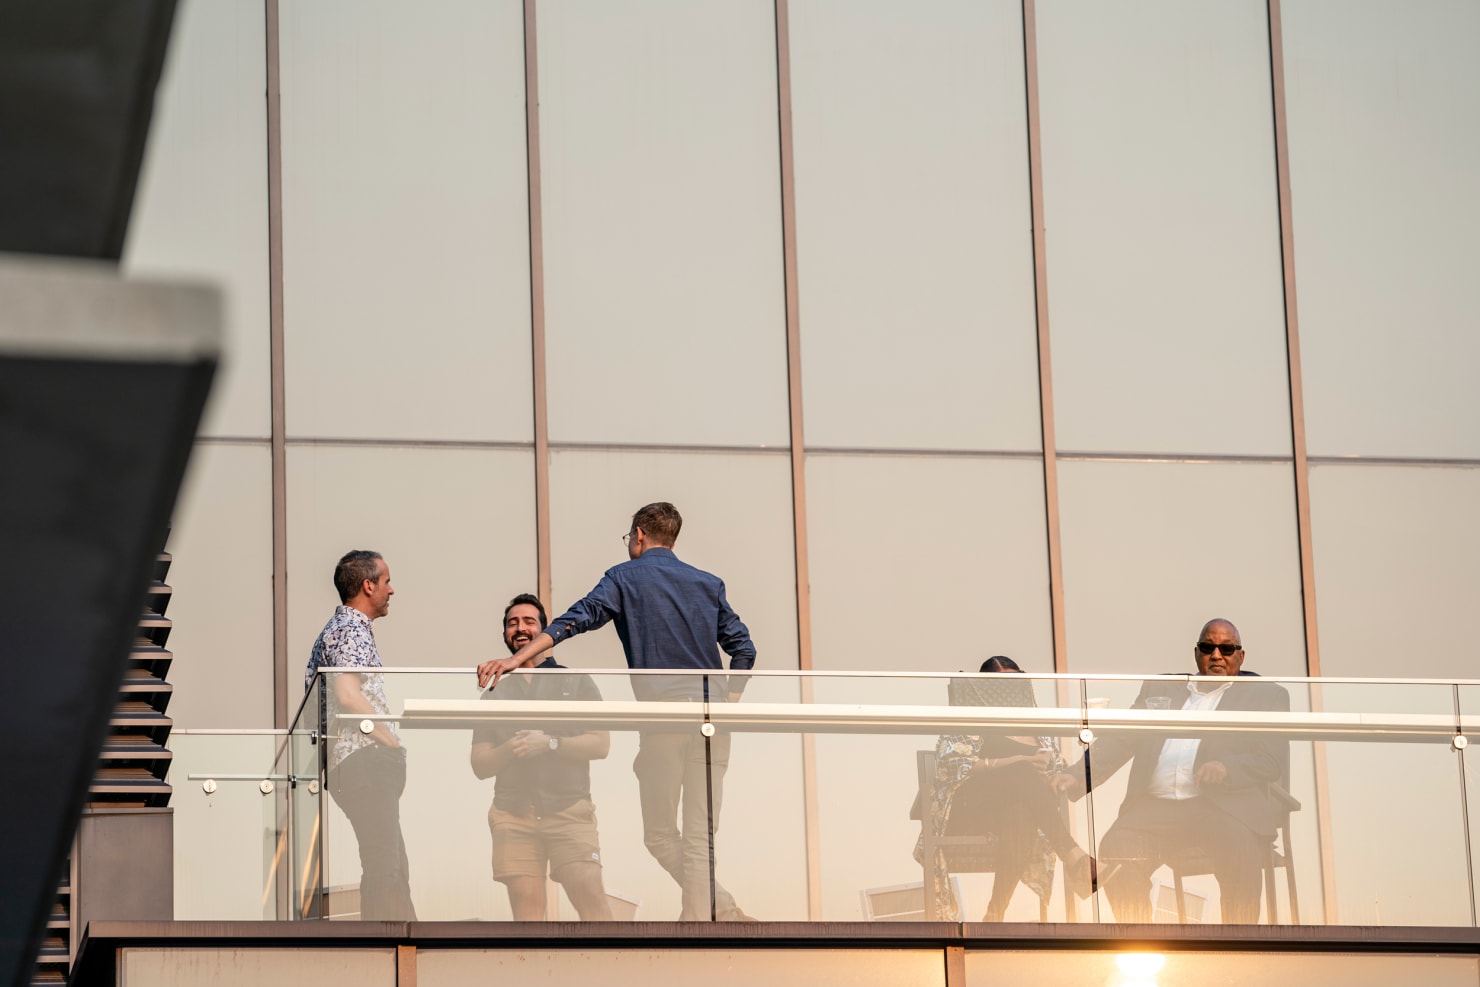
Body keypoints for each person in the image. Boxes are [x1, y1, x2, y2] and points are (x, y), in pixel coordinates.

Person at [477, 502, 756, 921]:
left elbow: (574, 620)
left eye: (629, 538)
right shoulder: (708, 583)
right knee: (701, 838)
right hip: (712, 724)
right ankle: (709, 920)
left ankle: (709, 919)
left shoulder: (625, 577)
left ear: (639, 535)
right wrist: (726, 705)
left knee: (661, 835)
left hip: (664, 723)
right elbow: (745, 651)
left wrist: (518, 659)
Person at [1057, 618, 1290, 923]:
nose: (1217, 655)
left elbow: (1270, 760)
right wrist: (1077, 774)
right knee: (1116, 846)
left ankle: (1240, 950)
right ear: (1196, 653)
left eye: (1226, 648)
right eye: (1208, 647)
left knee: (1241, 850)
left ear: (1240, 656)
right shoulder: (1163, 688)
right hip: (1155, 809)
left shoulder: (1265, 696)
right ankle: (1141, 942)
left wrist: (1227, 768)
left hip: (1220, 808)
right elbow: (1123, 738)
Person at [916, 657, 1095, 921]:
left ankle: (995, 911)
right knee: (1022, 772)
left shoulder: (1036, 729)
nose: (1011, 688)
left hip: (1015, 815)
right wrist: (1017, 761)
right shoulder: (970, 719)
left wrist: (1052, 774)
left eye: (1016, 680)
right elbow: (950, 762)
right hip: (971, 810)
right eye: (1002, 682)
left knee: (1021, 814)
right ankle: (1072, 854)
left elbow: (1057, 767)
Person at [470, 594, 614, 921]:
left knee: (592, 899)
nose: (519, 628)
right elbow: (479, 764)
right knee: (528, 917)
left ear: (545, 630)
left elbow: (600, 744)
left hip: (569, 809)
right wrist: (511, 747)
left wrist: (549, 743)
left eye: (528, 621)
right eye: (512, 623)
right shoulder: (495, 692)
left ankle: (611, 970)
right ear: (506, 634)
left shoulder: (574, 681)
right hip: (512, 814)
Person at [303, 550, 416, 920]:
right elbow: (348, 695)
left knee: (393, 863)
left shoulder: (336, 630)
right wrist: (390, 741)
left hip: (350, 763)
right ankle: (385, 953)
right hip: (363, 759)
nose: (392, 590)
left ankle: (406, 946)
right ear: (368, 586)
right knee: (385, 863)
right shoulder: (351, 628)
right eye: (386, 581)